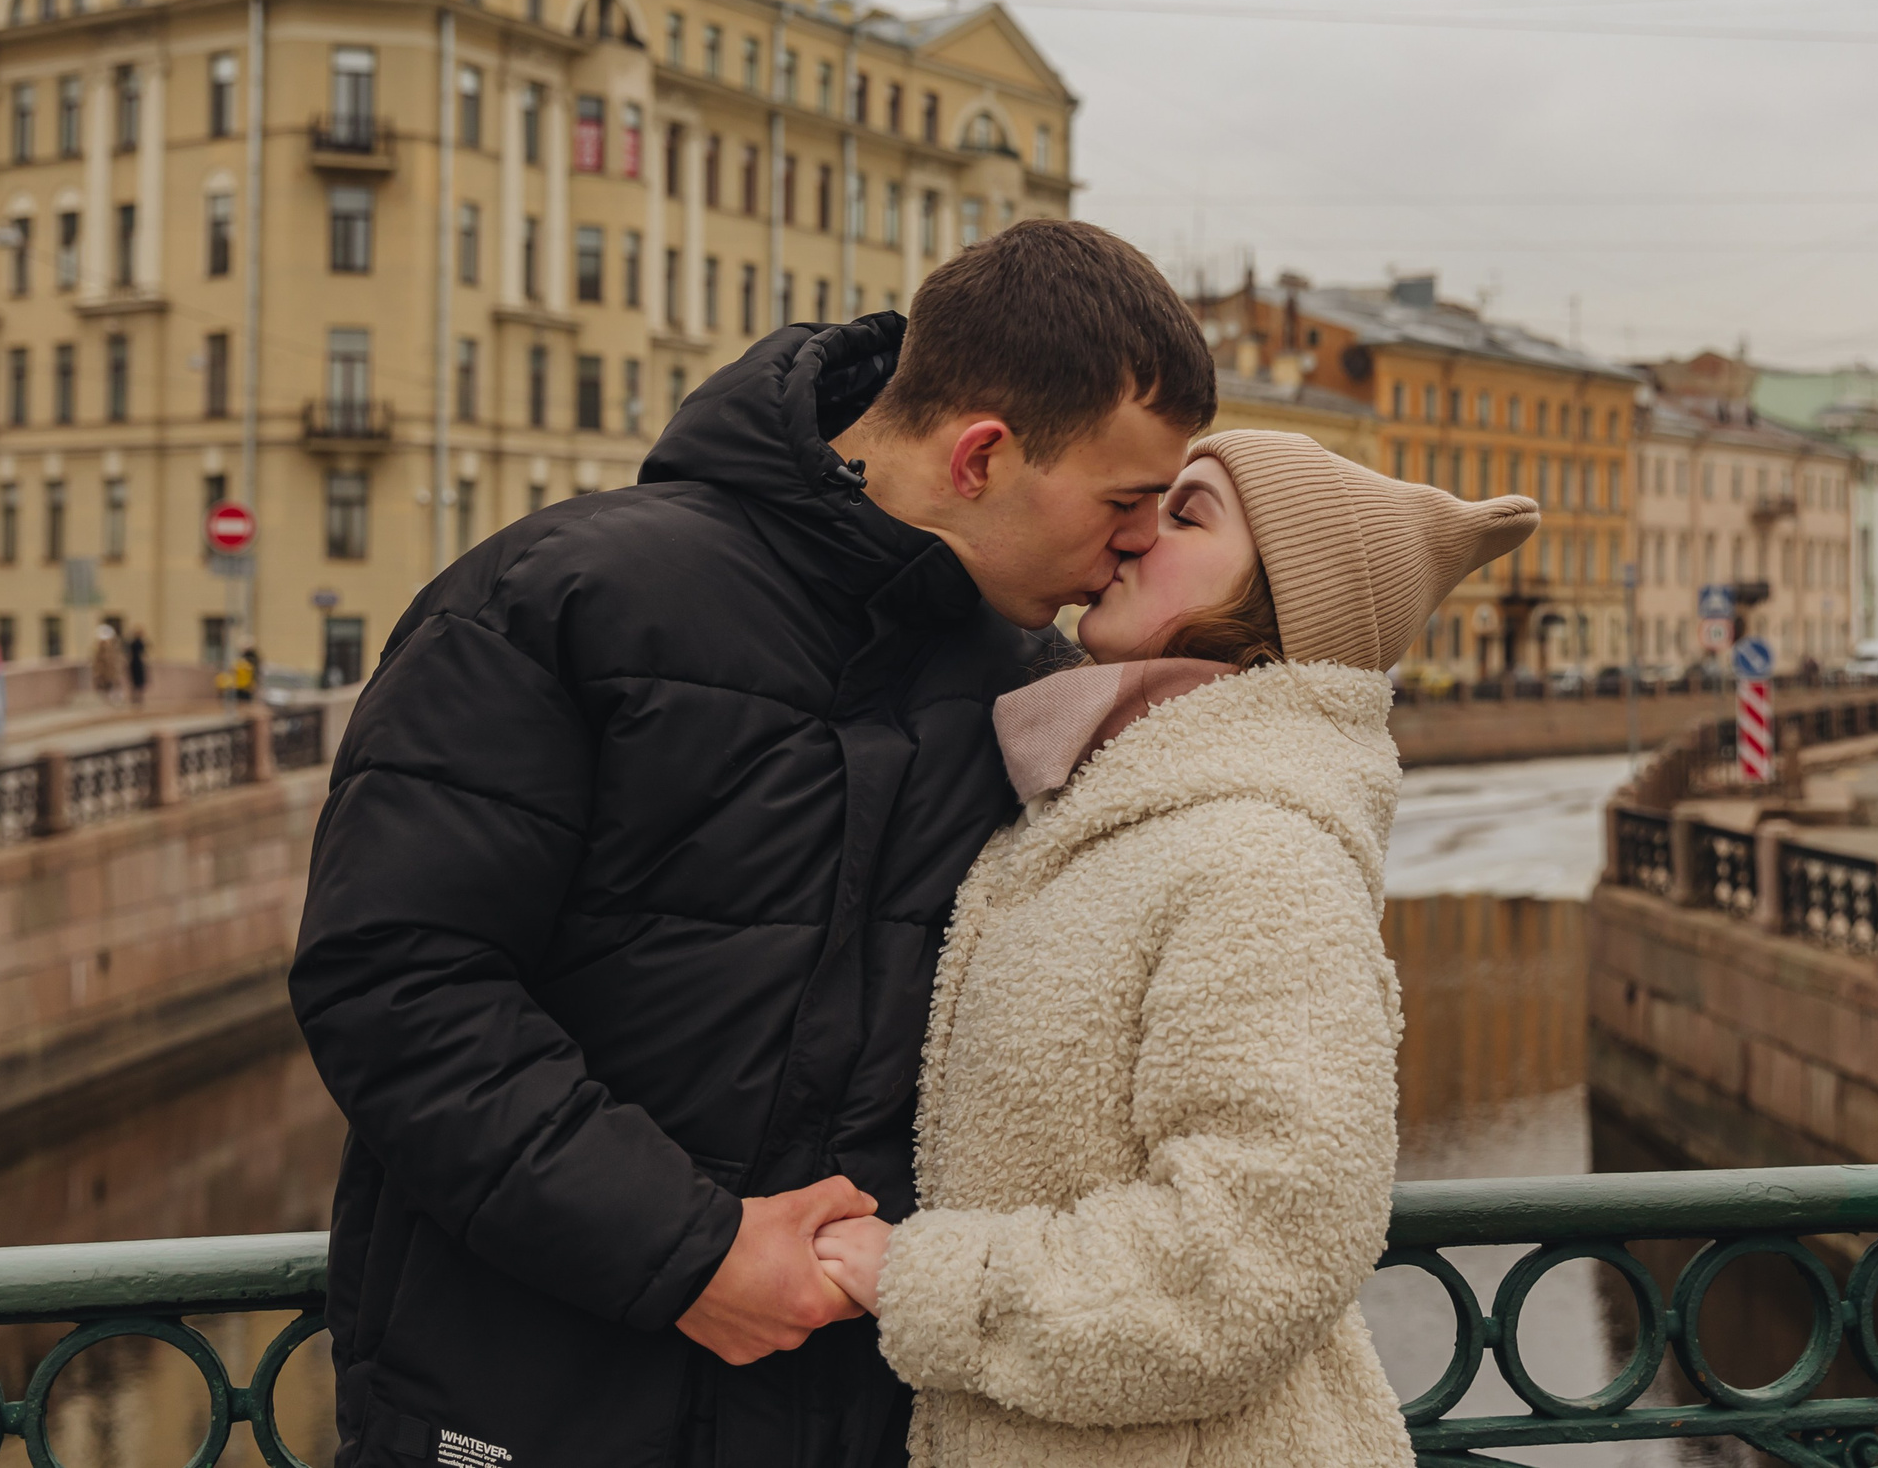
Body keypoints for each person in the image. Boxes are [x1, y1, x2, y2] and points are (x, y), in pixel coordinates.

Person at [289, 221, 1215, 1468]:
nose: (1141, 542)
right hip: (531, 1403)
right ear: (984, 455)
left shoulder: (1028, 687)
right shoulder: (559, 600)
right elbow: (397, 981)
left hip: (856, 1421)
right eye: (1124, 502)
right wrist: (682, 1255)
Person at [809, 430, 1538, 1468]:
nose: (1138, 530)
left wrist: (920, 1280)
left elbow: (1250, 1261)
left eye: (1187, 514)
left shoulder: (1258, 855)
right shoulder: (1109, 805)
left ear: (1281, 604)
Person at [125, 630, 149, 705]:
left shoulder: (134, 643)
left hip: (135, 663)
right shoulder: (136, 643)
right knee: (137, 682)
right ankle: (137, 698)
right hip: (136, 664)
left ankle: (136, 698)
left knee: (137, 682)